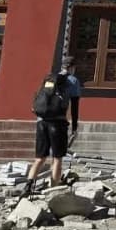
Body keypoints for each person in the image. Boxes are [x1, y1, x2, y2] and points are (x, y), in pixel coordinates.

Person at [22, 57, 82, 197]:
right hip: (58, 123)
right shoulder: (73, 81)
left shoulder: (49, 78)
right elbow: (75, 106)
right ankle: (54, 189)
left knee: (40, 158)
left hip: (41, 122)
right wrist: (74, 127)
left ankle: (28, 186)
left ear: (62, 66)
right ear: (72, 67)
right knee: (57, 158)